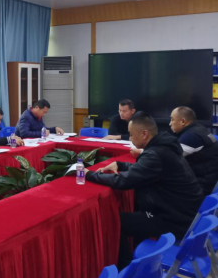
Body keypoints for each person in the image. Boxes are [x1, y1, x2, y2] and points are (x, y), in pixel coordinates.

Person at [86, 112, 203, 269]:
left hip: (175, 218)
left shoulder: (156, 153)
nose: (130, 138)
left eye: (131, 134)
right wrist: (120, 165)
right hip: (183, 211)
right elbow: (146, 170)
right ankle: (135, 259)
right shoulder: (164, 147)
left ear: (144, 134)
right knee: (134, 215)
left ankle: (126, 269)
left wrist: (89, 174)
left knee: (115, 221)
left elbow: (123, 181)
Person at [169, 106, 218, 195]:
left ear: (183, 121)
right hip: (209, 179)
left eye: (172, 120)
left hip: (200, 186)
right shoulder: (199, 129)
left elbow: (169, 158)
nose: (170, 123)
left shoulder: (191, 137)